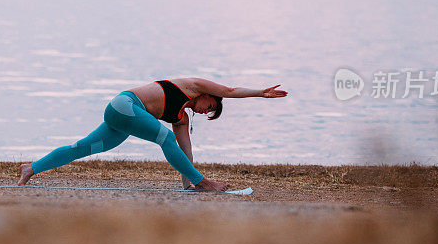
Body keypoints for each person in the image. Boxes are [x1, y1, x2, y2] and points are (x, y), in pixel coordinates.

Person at [18, 78, 288, 191]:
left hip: (123, 119)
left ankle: (31, 168)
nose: (206, 111)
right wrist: (260, 93)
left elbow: (186, 152)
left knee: (83, 148)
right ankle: (205, 182)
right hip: (124, 105)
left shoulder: (180, 119)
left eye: (209, 113)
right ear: (208, 95)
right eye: (210, 106)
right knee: (165, 139)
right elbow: (228, 91)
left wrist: (187, 185)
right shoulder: (192, 85)